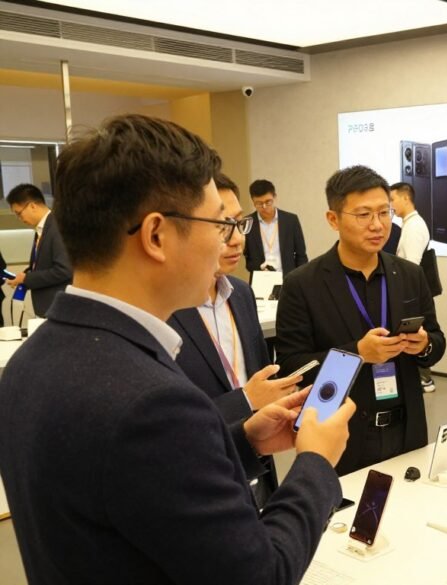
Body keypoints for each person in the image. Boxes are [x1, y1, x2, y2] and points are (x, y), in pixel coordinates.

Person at [0, 114, 356, 584]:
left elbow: (127, 487)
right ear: (156, 235)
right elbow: (260, 575)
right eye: (218, 223)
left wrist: (241, 442)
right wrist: (315, 463)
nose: (227, 242)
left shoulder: (29, 362)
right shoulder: (151, 401)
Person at [275, 165, 445, 476]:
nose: (378, 225)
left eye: (384, 213)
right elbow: (292, 368)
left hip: (407, 429)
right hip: (341, 433)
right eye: (364, 215)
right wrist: (357, 354)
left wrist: (423, 345)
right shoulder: (303, 284)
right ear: (333, 219)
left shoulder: (408, 274)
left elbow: (437, 342)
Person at [168, 172, 303, 507]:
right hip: (200, 480)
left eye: (239, 223)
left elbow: (257, 378)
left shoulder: (240, 294)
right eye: (221, 224)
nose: (237, 239)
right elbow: (171, 426)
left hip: (258, 468)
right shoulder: (165, 308)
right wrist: (245, 400)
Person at [391, 181, 436, 393]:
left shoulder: (415, 226)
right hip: (407, 291)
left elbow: (411, 265)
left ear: (406, 198)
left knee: (417, 334)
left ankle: (425, 378)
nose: (391, 205)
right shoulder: (408, 225)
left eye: (392, 200)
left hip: (410, 294)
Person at [5, 183, 72, 317]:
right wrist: (24, 276)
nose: (20, 219)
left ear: (32, 206)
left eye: (19, 213)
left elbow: (64, 270)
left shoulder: (56, 227)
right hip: (48, 308)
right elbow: (43, 265)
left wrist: (28, 278)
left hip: (59, 308)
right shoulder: (42, 229)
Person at [244, 178, 308, 276]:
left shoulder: (291, 220)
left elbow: (301, 255)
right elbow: (247, 257)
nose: (264, 207)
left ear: (275, 197)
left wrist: (300, 278)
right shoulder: (248, 223)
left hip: (288, 278)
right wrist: (259, 268)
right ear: (253, 201)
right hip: (261, 279)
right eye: (259, 203)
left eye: (268, 202)